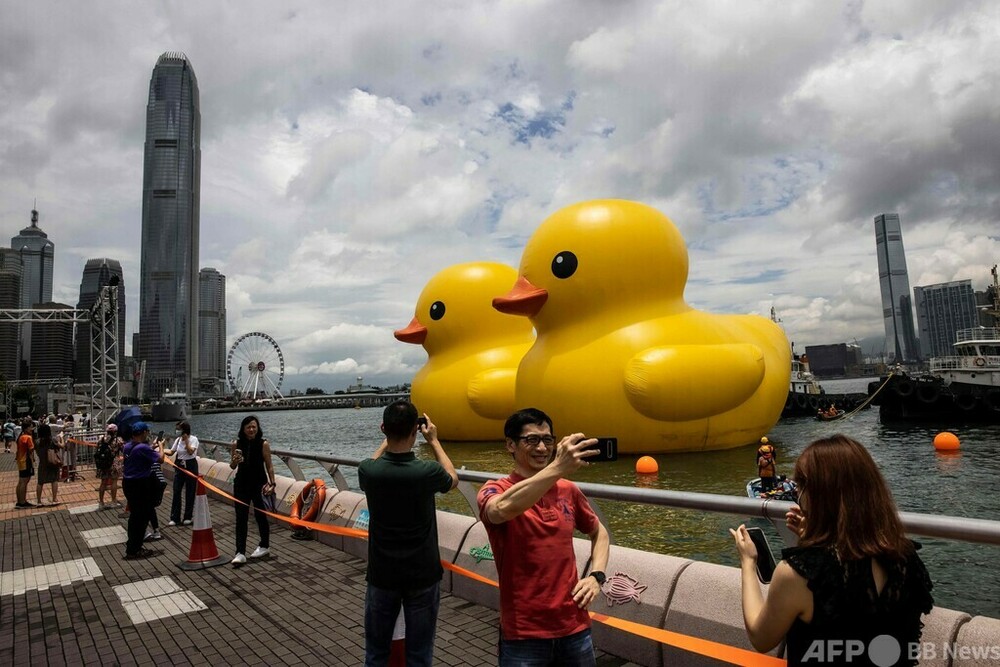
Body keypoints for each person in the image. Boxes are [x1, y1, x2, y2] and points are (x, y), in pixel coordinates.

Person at [731, 435, 934, 666]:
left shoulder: (797, 575)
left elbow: (761, 637)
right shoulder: (906, 559)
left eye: (801, 487)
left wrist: (748, 562)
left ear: (816, 496)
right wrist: (810, 543)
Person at [477, 408, 610, 666]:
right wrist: (558, 468)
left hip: (574, 628)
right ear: (510, 445)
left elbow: (599, 532)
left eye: (548, 440)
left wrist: (597, 576)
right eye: (532, 440)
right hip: (523, 634)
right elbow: (499, 510)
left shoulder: (567, 490)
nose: (542, 448)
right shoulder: (496, 489)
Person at [357, 401, 459, 666]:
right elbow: (452, 478)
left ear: (383, 428)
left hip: (382, 574)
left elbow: (372, 461)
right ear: (416, 430)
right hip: (423, 574)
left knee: (376, 653)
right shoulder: (428, 472)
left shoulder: (369, 471)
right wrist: (434, 440)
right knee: (420, 655)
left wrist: (386, 440)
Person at [229, 415, 275, 565]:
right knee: (241, 518)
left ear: (258, 428)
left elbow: (269, 465)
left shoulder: (263, 444)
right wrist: (234, 461)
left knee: (260, 515)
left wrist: (272, 483)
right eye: (248, 427)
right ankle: (240, 552)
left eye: (254, 426)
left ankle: (264, 545)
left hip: (259, 484)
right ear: (243, 429)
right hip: (241, 484)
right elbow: (232, 466)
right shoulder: (236, 443)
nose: (251, 429)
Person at [121, 422, 164, 559]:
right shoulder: (143, 448)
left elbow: (138, 452)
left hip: (128, 483)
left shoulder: (127, 446)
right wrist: (161, 446)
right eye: (147, 431)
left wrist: (151, 447)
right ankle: (135, 549)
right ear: (144, 432)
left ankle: (132, 547)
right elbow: (161, 459)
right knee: (142, 517)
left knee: (135, 516)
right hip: (139, 484)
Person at [166, 421, 200, 526]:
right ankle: (175, 517)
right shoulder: (177, 440)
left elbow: (191, 452)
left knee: (190, 491)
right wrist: (161, 449)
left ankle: (188, 517)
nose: (177, 431)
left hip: (190, 465)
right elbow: (172, 452)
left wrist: (186, 442)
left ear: (185, 430)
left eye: (179, 429)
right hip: (180, 466)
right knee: (177, 490)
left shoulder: (194, 439)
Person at [95, 423, 124, 509]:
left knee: (103, 482)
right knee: (114, 481)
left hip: (103, 463)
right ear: (115, 432)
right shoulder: (118, 440)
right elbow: (123, 449)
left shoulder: (101, 439)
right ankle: (113, 501)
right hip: (113, 462)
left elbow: (97, 448)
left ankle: (101, 503)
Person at [34, 422, 63, 506]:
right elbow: (62, 446)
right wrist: (61, 438)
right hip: (52, 462)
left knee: (40, 482)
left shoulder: (37, 442)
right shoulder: (52, 440)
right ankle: (54, 499)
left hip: (42, 463)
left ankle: (39, 501)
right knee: (54, 480)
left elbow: (36, 451)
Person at [14, 419, 36, 508]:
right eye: (31, 427)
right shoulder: (28, 437)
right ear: (26, 428)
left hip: (20, 460)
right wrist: (33, 461)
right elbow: (31, 451)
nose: (32, 429)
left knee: (20, 481)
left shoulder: (21, 436)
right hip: (26, 461)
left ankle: (19, 501)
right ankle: (23, 502)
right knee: (24, 481)